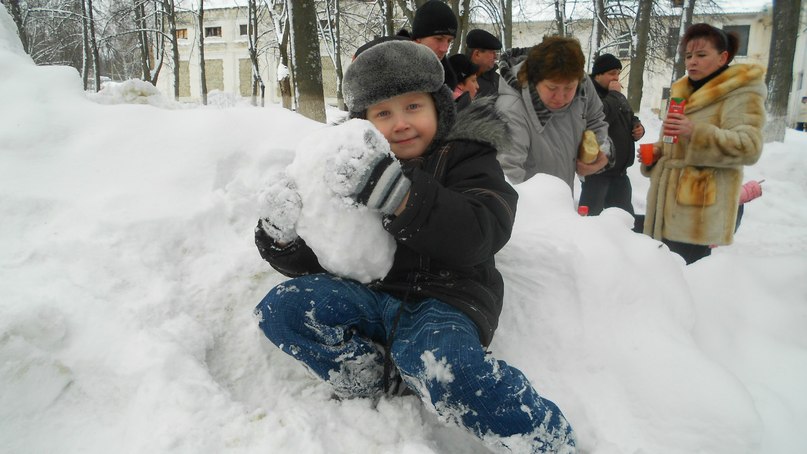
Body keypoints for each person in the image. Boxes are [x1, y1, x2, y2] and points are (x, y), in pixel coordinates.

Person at [253, 40, 576, 453]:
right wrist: (282, 236)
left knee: (446, 368)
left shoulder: (467, 156)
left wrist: (401, 197)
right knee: (284, 308)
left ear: (439, 106)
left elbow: (483, 231)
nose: (401, 123)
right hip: (373, 295)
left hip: (446, 299)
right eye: (383, 113)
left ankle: (546, 441)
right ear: (363, 124)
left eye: (413, 107)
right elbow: (326, 255)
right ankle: (368, 375)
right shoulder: (347, 168)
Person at [640, 23, 766, 264]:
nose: (691, 62)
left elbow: (749, 146)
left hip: (700, 212)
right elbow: (672, 140)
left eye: (701, 55)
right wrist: (657, 152)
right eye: (688, 56)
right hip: (666, 205)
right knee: (661, 274)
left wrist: (696, 132)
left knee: (686, 278)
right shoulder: (681, 90)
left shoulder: (740, 93)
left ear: (723, 57)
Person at [495, 35, 612, 194]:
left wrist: (601, 153)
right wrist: (547, 212)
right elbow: (508, 175)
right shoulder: (512, 109)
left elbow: (596, 122)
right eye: (551, 88)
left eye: (569, 88)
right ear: (534, 79)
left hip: (562, 203)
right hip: (533, 211)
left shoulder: (583, 85)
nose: (560, 97)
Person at [579, 53, 645, 216]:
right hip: (597, 175)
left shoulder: (614, 94)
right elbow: (600, 117)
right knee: (591, 222)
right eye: (611, 73)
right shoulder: (588, 93)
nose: (616, 78)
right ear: (598, 74)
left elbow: (629, 115)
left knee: (624, 222)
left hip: (619, 175)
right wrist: (615, 95)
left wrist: (638, 127)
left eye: (618, 73)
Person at [399, 0, 459, 90]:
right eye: (439, 39)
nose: (445, 49)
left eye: (449, 41)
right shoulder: (391, 72)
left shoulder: (446, 82)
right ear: (418, 38)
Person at [465, 28, 502, 99]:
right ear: (477, 54)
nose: (496, 57)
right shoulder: (458, 80)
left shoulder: (498, 80)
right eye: (492, 52)